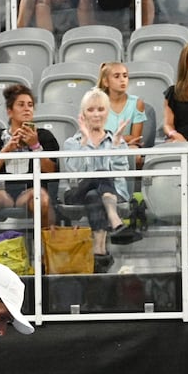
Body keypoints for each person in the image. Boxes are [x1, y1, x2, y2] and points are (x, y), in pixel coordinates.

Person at [0, 83, 58, 272]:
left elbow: (53, 171)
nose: (27, 109)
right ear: (9, 111)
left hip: (31, 191)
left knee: (41, 196)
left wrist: (35, 146)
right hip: (3, 193)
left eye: (30, 105)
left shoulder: (45, 136)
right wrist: (6, 150)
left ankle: (45, 259)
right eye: (21, 105)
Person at [59, 87, 137, 272]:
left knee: (95, 195)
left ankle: (99, 251)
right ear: (83, 114)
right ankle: (114, 219)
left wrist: (117, 147)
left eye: (101, 109)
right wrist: (85, 142)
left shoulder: (117, 140)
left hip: (111, 194)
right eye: (91, 110)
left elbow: (121, 174)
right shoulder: (72, 143)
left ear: (107, 112)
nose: (96, 114)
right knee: (98, 175)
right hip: (77, 192)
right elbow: (74, 173)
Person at [97, 60, 146, 150]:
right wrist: (120, 139)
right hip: (101, 147)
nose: (122, 80)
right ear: (106, 82)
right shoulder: (97, 103)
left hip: (126, 147)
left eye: (125, 76)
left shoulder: (137, 103)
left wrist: (109, 139)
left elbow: (135, 138)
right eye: (116, 76)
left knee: (135, 152)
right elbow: (96, 137)